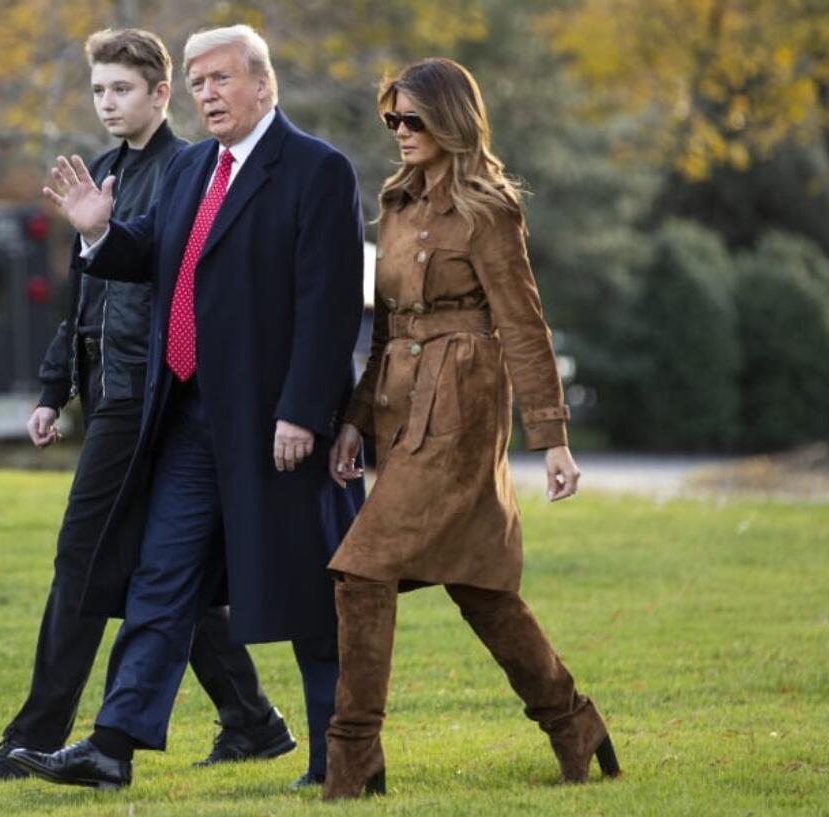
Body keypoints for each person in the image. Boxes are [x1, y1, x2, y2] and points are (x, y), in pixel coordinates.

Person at [8, 24, 365, 791]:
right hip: (187, 420)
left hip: (276, 423)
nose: (207, 94)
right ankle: (110, 746)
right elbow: (154, 256)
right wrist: (100, 232)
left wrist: (304, 410)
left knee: (309, 591)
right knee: (160, 579)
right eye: (198, 82)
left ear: (263, 85)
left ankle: (343, 756)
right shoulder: (193, 167)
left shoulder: (316, 170)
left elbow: (329, 304)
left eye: (222, 79)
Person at [0, 28, 295, 783]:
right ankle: (253, 720)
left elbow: (184, 293)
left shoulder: (187, 171)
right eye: (99, 91)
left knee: (81, 556)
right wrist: (54, 387)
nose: (108, 104)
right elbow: (83, 298)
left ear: (158, 93)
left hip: (150, 397)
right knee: (161, 569)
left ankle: (31, 736)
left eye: (121, 90)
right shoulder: (102, 173)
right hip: (107, 391)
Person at [321, 57, 622, 800]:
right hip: (400, 406)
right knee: (480, 587)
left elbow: (523, 325)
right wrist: (357, 419)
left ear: (453, 120)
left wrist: (552, 436)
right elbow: (386, 325)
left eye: (413, 119)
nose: (399, 132)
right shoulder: (394, 204)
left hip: (461, 409)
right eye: (391, 118)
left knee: (361, 569)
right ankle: (573, 722)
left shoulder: (490, 210)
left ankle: (352, 757)